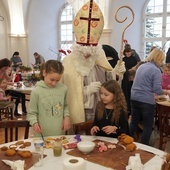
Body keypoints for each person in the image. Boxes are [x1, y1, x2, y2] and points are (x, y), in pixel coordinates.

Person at [61, 0, 126, 125]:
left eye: (90, 53)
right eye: (83, 53)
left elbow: (110, 81)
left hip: (100, 108)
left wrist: (117, 73)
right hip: (79, 112)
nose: (87, 55)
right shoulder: (68, 62)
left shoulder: (99, 58)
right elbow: (64, 92)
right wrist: (86, 91)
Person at [129, 48, 170, 145]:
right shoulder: (155, 70)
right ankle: (144, 148)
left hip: (134, 98)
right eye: (162, 60)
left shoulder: (141, 67)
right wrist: (167, 92)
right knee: (148, 125)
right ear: (158, 59)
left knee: (134, 122)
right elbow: (157, 90)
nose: (162, 62)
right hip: (146, 101)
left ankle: (127, 142)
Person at [27, 60, 70, 137]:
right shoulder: (36, 91)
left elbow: (65, 106)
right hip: (42, 136)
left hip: (59, 134)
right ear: (44, 73)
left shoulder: (63, 89)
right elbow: (31, 113)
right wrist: (34, 123)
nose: (54, 83)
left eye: (57, 80)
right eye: (52, 80)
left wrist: (67, 117)